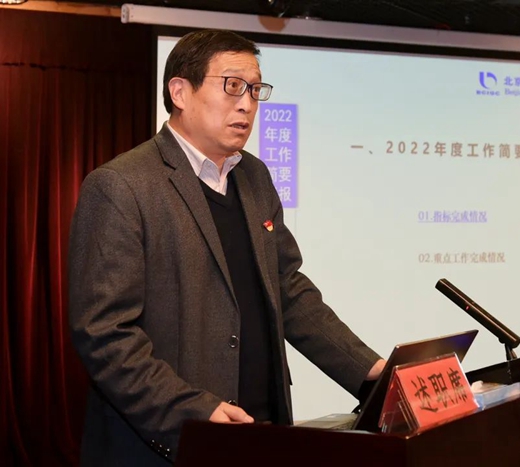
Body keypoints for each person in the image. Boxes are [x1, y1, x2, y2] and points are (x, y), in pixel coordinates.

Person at [69, 29, 385, 466]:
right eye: (233, 86)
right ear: (180, 92)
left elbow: (287, 291)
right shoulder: (122, 186)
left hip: (262, 429)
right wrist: (191, 410)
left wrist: (370, 371)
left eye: (255, 90)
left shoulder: (254, 176)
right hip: (173, 442)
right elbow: (104, 332)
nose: (247, 104)